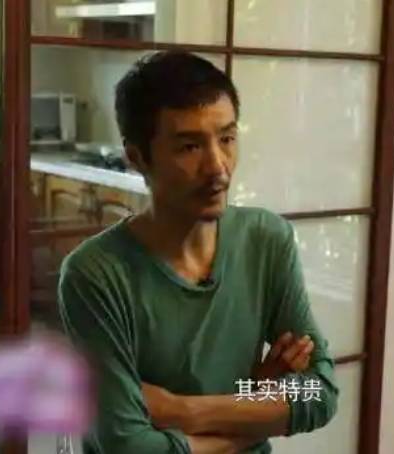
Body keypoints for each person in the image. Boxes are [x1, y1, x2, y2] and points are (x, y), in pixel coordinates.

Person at [58, 51, 339, 454]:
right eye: (190, 147)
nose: (218, 167)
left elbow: (319, 392)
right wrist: (256, 409)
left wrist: (183, 410)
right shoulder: (96, 273)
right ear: (137, 157)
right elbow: (128, 446)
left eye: (227, 139)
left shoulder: (266, 240)